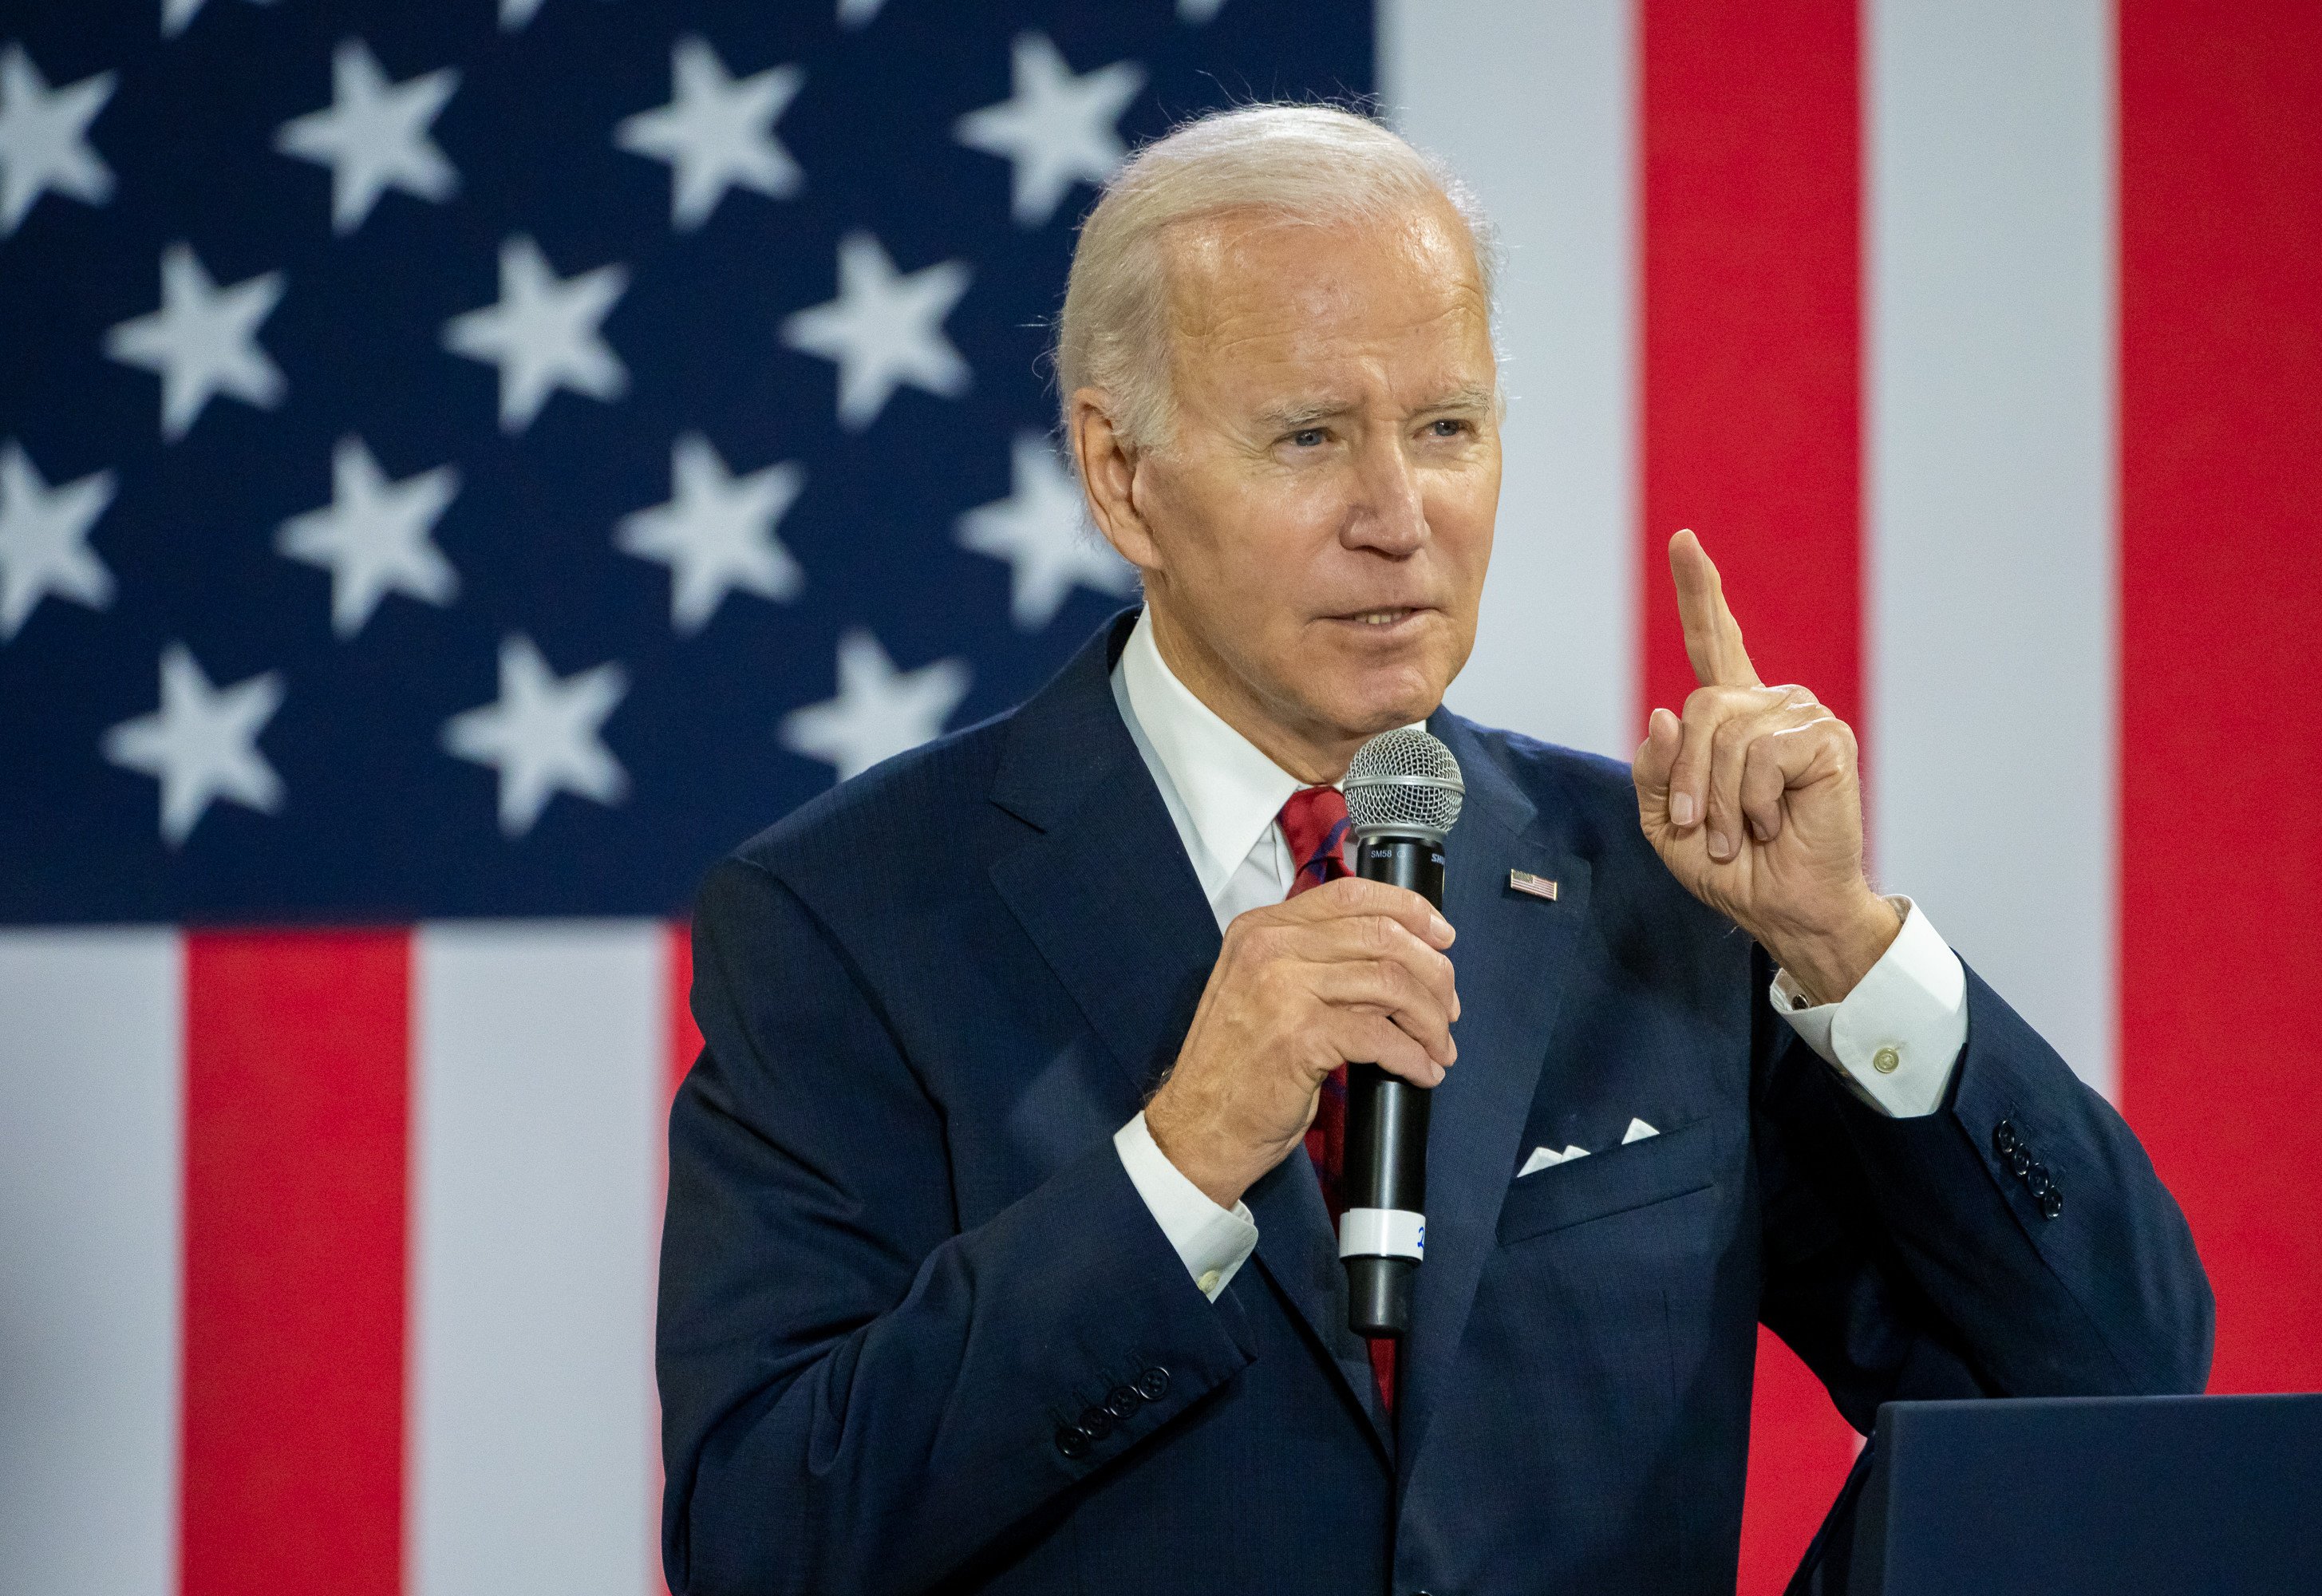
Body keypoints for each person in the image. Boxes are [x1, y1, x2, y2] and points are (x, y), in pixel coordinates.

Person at [658, 105, 2209, 1596]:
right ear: (1122, 475)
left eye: (1447, 427)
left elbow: (2110, 1387)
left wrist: (1852, 953)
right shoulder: (846, 914)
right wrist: (1180, 1163)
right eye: (1310, 435)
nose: (1398, 515)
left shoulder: (1663, 890)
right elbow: (764, 1533)